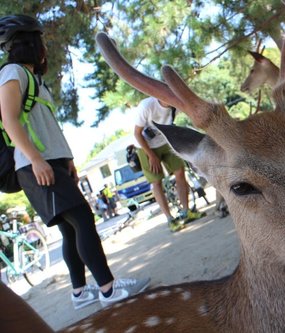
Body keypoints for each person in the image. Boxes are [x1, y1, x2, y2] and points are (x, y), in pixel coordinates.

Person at [0, 14, 149, 310]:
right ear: (30, 44)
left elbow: (49, 125)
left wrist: (67, 159)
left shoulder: (35, 80)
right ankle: (109, 289)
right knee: (82, 218)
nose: (45, 49)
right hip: (34, 164)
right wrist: (35, 159)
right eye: (40, 42)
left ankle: (80, 293)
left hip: (52, 162)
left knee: (70, 228)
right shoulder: (11, 73)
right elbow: (9, 119)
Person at [134, 96, 204, 232]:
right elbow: (137, 134)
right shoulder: (146, 106)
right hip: (145, 146)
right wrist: (151, 155)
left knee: (180, 172)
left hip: (166, 141)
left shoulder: (175, 104)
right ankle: (170, 219)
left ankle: (186, 211)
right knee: (156, 181)